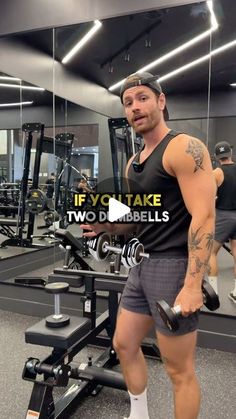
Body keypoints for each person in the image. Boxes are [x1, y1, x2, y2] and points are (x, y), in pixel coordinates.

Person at [81, 71, 216, 419]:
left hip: (173, 266)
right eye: (128, 102)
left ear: (161, 100)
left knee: (178, 370)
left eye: (142, 98)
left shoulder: (184, 148)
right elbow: (140, 219)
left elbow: (204, 218)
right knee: (123, 343)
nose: (135, 107)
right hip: (141, 265)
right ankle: (138, 413)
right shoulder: (133, 162)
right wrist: (104, 225)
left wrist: (191, 286)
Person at [208, 141, 236, 303]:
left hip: (223, 216)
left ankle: (213, 293)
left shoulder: (216, 173)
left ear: (218, 158)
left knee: (211, 253)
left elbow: (210, 198)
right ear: (230, 154)